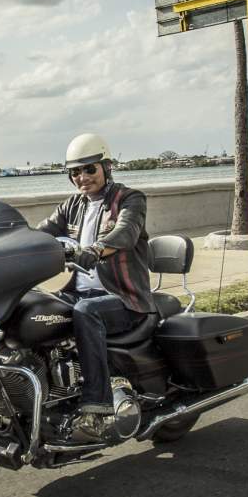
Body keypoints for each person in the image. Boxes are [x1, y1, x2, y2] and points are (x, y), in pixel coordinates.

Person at [35, 132, 154, 440]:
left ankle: (96, 408)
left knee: (87, 312)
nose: (82, 177)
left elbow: (125, 233)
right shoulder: (72, 205)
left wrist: (95, 249)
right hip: (76, 291)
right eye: (75, 171)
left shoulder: (129, 198)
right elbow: (42, 232)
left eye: (89, 168)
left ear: (106, 166)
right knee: (33, 308)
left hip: (123, 298)